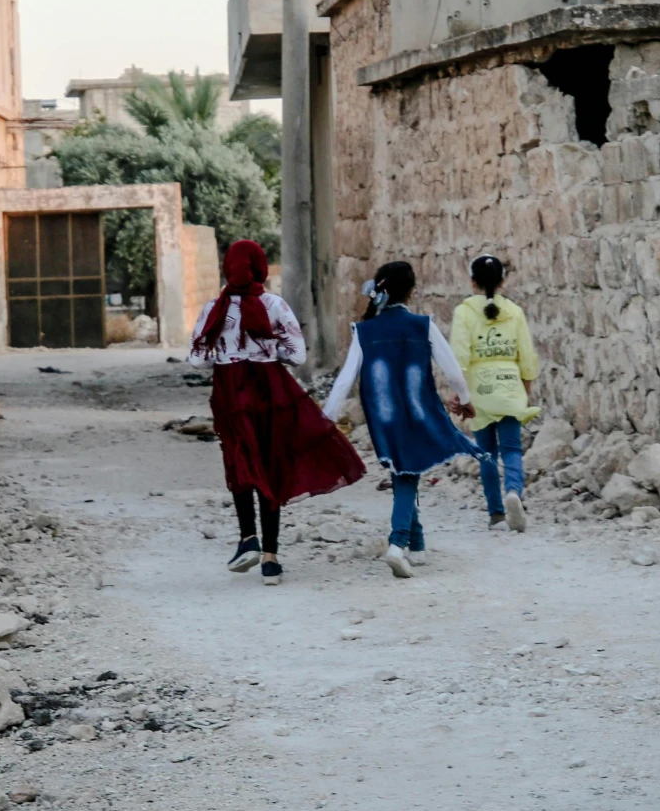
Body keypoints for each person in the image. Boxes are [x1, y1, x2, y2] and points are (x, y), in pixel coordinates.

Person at [188, 238, 364, 584]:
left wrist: (226, 355)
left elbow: (197, 358)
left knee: (240, 461)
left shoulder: (214, 309)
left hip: (230, 394)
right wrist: (266, 349)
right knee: (272, 464)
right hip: (271, 391)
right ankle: (271, 558)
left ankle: (247, 538)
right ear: (260, 268)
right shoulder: (274, 305)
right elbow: (296, 355)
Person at [321, 261, 482, 579]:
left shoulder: (364, 331)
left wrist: (327, 419)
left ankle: (417, 545)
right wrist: (465, 401)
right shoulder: (423, 325)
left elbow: (344, 380)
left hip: (383, 418)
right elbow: (451, 368)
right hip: (418, 412)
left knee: (404, 471)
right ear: (411, 291)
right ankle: (397, 544)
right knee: (409, 473)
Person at [450, 254, 540, 532]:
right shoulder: (515, 312)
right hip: (509, 385)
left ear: (472, 282)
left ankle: (496, 513)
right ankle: (514, 491)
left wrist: (459, 394)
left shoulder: (464, 313)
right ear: (503, 282)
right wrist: (525, 390)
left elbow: (459, 356)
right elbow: (526, 356)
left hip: (480, 390)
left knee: (486, 452)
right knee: (512, 448)